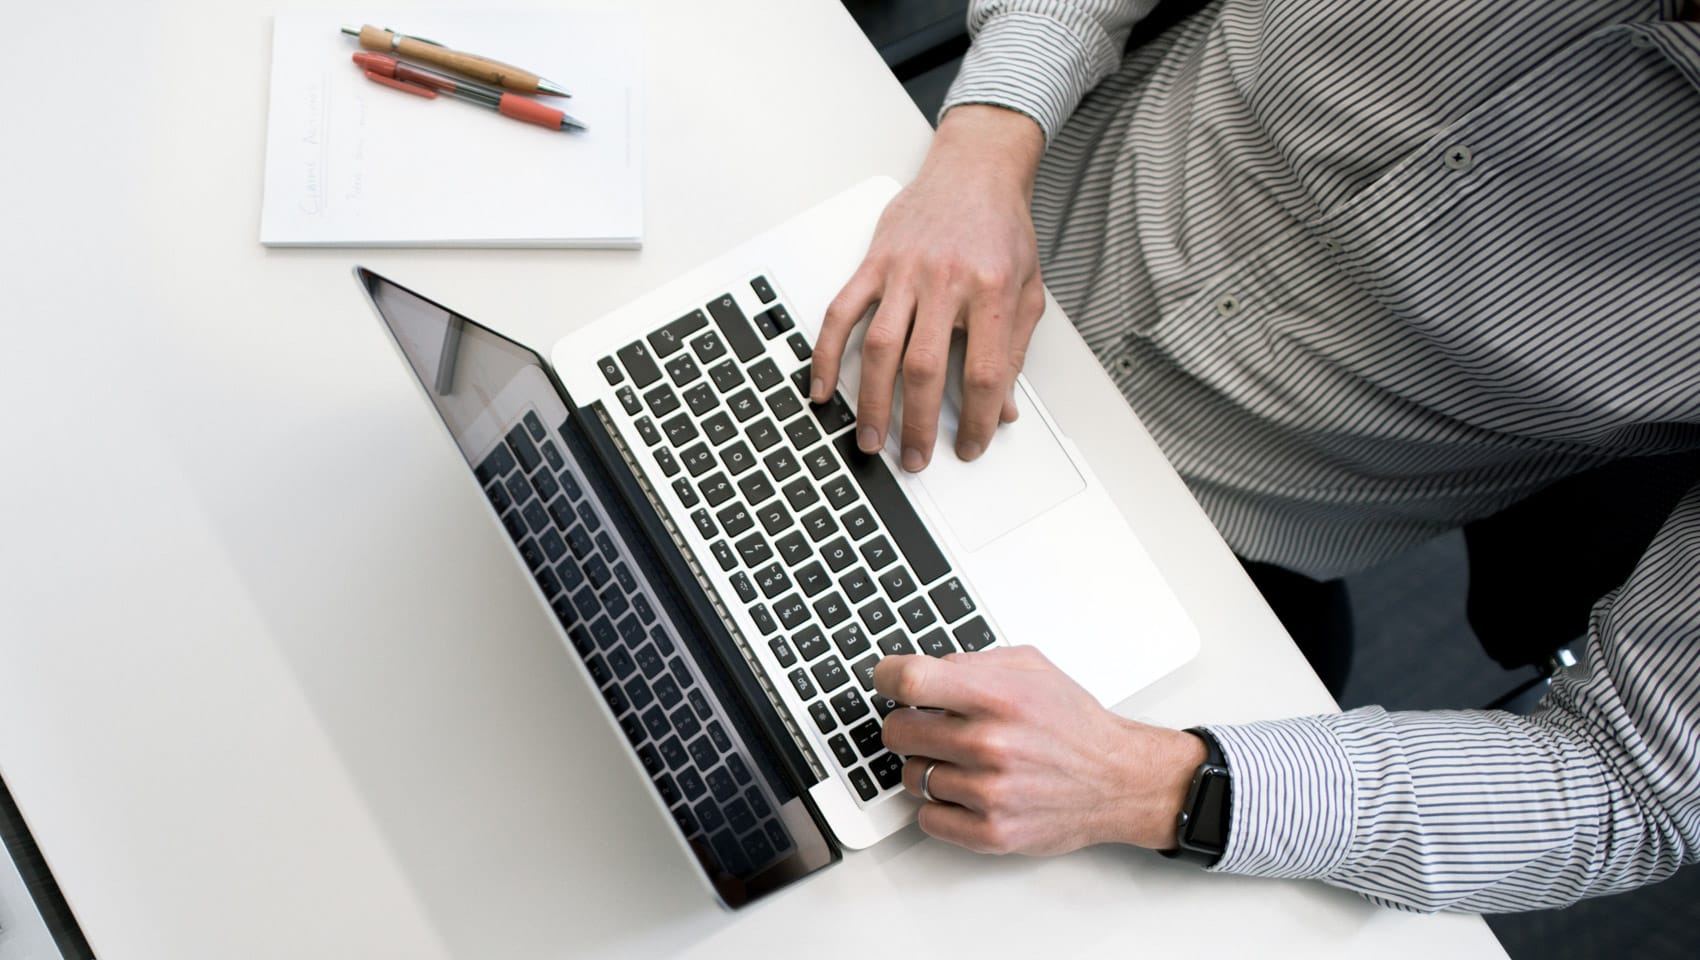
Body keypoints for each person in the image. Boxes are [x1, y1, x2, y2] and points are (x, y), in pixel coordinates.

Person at [809, 0, 1700, 912]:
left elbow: (1634, 785)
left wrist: (1154, 784)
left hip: (1198, 552)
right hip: (948, 230)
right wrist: (988, 140)